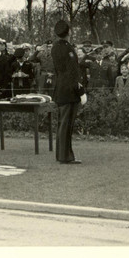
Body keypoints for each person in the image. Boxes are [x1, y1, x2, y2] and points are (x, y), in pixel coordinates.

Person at [52, 19, 86, 165]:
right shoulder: (69, 49)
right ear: (69, 32)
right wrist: (80, 90)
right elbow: (72, 73)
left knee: (62, 124)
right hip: (69, 91)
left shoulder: (55, 47)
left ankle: (62, 155)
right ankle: (65, 156)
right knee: (66, 124)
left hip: (60, 89)